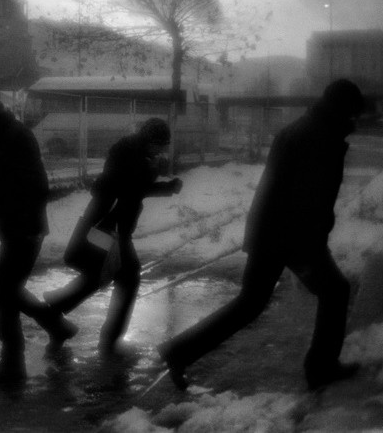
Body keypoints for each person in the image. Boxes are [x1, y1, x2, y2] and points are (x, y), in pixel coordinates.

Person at [157, 79, 365, 391]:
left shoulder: (308, 128)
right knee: (335, 291)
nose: (355, 119)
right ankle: (321, 367)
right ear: (343, 108)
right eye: (353, 113)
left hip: (274, 232)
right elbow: (310, 197)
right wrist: (315, 241)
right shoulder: (318, 136)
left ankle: (179, 351)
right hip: (292, 237)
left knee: (250, 304)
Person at [44, 118, 182, 358]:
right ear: (149, 141)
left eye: (163, 146)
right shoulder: (132, 158)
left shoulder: (134, 154)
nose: (161, 150)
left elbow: (131, 189)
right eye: (159, 145)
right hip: (109, 228)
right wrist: (163, 186)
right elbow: (128, 190)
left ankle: (58, 306)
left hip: (110, 227)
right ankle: (109, 340)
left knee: (102, 275)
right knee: (127, 279)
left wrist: (163, 184)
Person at [0, 90, 78, 384]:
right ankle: (57, 327)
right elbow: (4, 183)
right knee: (11, 291)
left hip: (23, 229)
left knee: (4, 296)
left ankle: (13, 366)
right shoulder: (9, 136)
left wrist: (4, 210)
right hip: (20, 227)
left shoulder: (15, 139)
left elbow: (32, 185)